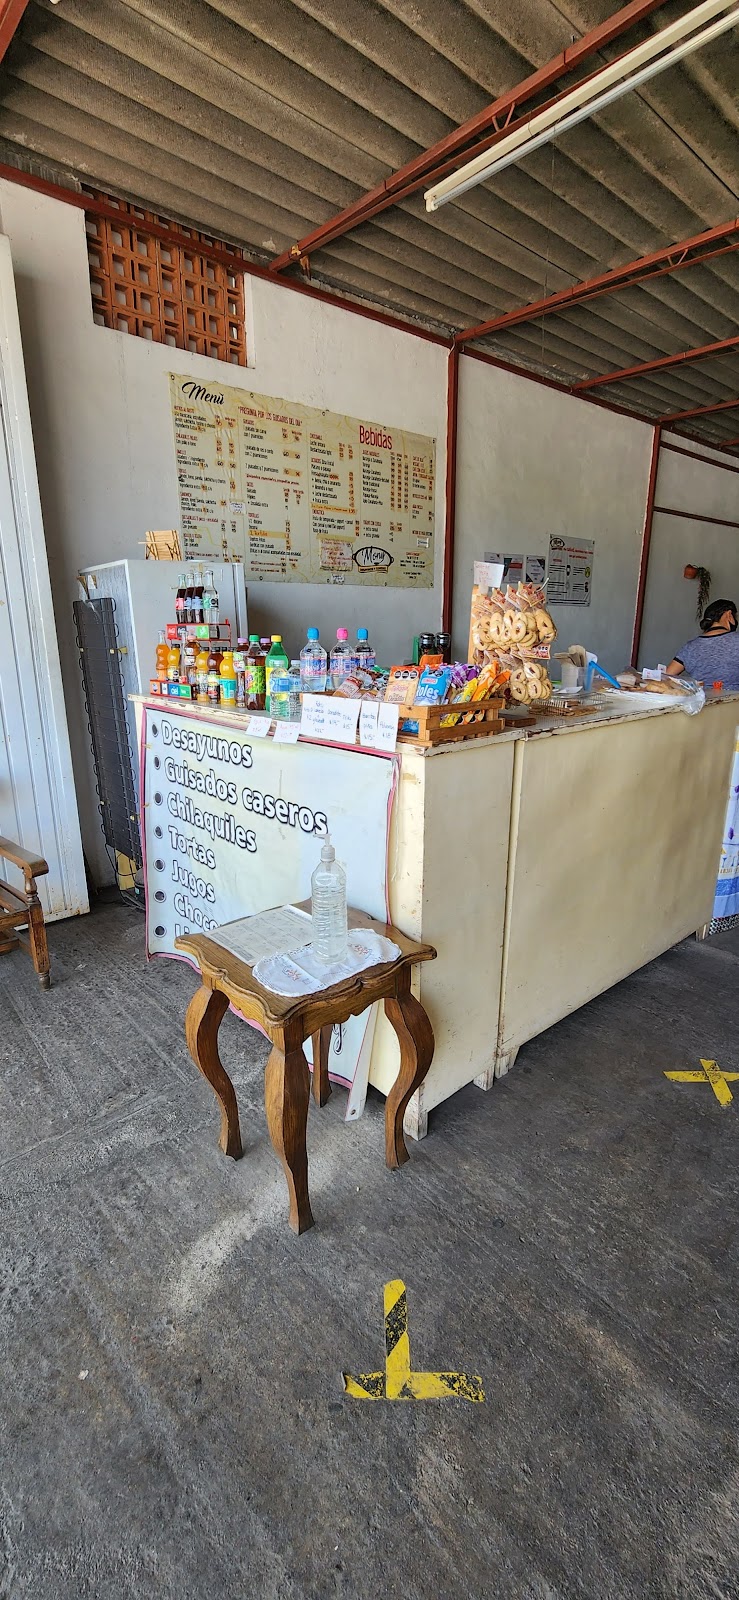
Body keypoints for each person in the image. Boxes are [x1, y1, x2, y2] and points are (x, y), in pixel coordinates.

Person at [667, 598, 739, 688]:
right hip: (734, 696)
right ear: (729, 614)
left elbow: (667, 675)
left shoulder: (691, 646)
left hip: (701, 696)